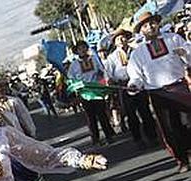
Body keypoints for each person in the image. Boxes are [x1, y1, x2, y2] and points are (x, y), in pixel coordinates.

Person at [126, 10, 191, 172]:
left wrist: (185, 54)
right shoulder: (137, 53)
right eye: (146, 25)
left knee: (188, 123)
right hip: (158, 93)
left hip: (180, 87)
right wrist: (134, 84)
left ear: (158, 24)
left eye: (152, 23)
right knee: (169, 128)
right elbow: (135, 75)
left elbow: (189, 57)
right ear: (141, 30)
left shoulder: (174, 39)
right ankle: (182, 159)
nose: (150, 27)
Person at [104, 25, 157, 148]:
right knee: (131, 114)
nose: (121, 41)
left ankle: (152, 136)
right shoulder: (111, 58)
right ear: (115, 43)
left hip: (138, 83)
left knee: (145, 111)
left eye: (123, 38)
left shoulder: (136, 51)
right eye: (118, 39)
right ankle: (138, 139)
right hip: (124, 86)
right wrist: (111, 83)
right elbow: (108, 74)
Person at [67, 41, 116, 145]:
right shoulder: (74, 65)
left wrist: (103, 78)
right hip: (85, 94)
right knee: (90, 117)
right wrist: (77, 87)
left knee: (102, 114)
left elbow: (103, 70)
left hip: (97, 91)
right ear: (77, 51)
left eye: (84, 47)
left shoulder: (94, 59)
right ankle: (95, 138)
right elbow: (70, 78)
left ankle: (109, 135)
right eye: (80, 49)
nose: (83, 50)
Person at [0, 73, 38, 137]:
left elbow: (26, 120)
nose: (3, 88)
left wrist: (31, 134)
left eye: (4, 85)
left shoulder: (13, 101)